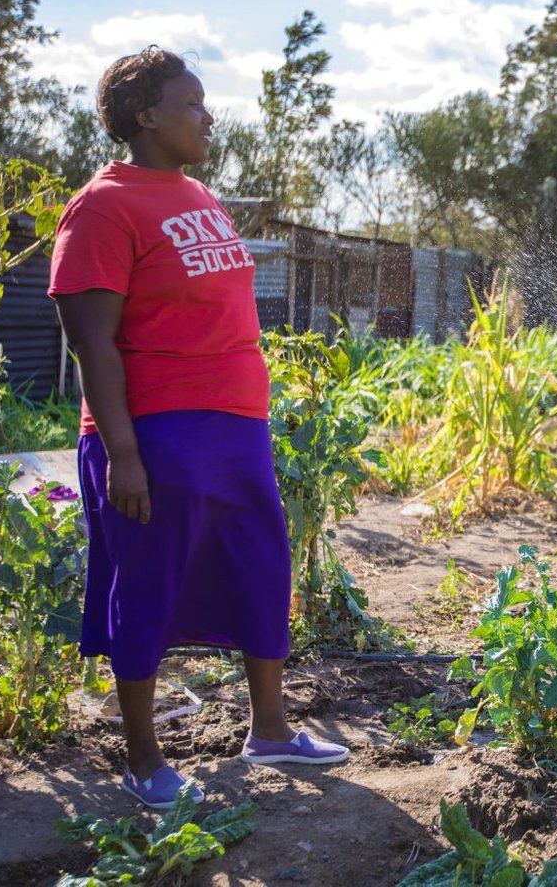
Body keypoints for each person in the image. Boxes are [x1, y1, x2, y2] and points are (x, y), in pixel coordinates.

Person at [49, 46, 349, 810]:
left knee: (260, 567)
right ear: (146, 115)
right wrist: (123, 453)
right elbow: (90, 340)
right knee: (145, 582)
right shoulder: (103, 206)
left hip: (236, 423)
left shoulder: (198, 194)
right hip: (157, 428)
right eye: (193, 103)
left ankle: (272, 728)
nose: (208, 116)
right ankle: (144, 758)